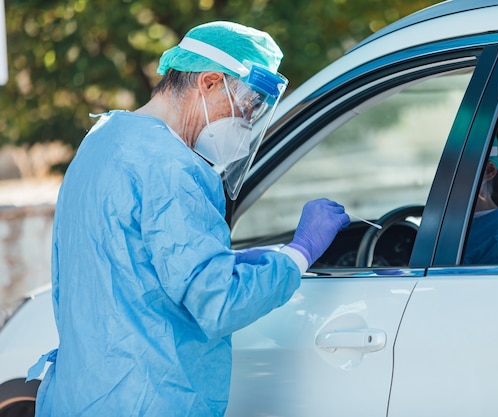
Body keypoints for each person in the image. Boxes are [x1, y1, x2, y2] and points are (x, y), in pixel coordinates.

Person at [26, 21, 350, 417]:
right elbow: (219, 305)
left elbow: (130, 269)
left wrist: (227, 262)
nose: (245, 126)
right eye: (246, 107)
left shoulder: (102, 140)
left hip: (78, 397)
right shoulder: (173, 168)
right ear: (210, 82)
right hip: (148, 401)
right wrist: (299, 253)